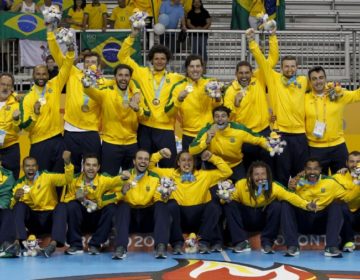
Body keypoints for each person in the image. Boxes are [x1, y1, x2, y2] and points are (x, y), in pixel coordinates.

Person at [248, 28, 309, 186]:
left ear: (297, 67)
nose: (290, 69)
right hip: (281, 134)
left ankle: (299, 205)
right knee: (281, 173)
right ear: (281, 68)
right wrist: (258, 41)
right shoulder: (274, 79)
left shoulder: (303, 81)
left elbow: (320, 86)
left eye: (292, 66)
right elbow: (262, 60)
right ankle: (282, 206)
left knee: (301, 174)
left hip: (300, 135)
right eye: (286, 66)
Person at [117, 26, 184, 167]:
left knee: (168, 167)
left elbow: (194, 80)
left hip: (165, 130)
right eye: (156, 59)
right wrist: (133, 35)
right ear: (151, 60)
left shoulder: (175, 78)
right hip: (145, 128)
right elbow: (122, 56)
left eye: (163, 59)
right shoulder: (141, 73)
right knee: (144, 167)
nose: (159, 61)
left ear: (167, 61)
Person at [149, 148, 232, 254]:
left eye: (190, 160)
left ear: (194, 163)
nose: (187, 163)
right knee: (170, 205)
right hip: (180, 218)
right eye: (183, 160)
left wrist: (211, 157)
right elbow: (150, 168)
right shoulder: (169, 173)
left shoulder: (204, 175)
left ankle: (204, 242)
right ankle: (177, 244)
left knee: (214, 206)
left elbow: (227, 171)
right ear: (178, 162)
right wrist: (159, 154)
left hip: (199, 218)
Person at [47, 27, 106, 173]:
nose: (90, 64)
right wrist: (50, 34)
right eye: (87, 62)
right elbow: (58, 56)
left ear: (99, 66)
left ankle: (90, 195)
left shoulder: (104, 83)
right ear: (82, 64)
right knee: (70, 168)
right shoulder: (73, 73)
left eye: (93, 62)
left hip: (91, 132)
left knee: (92, 169)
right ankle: (71, 196)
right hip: (70, 130)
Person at [224, 161, 316, 254]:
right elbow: (229, 197)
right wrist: (224, 198)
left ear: (267, 175)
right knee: (230, 204)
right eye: (256, 174)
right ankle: (241, 242)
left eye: (263, 174)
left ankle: (267, 243)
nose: (260, 177)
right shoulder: (240, 184)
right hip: (246, 219)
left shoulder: (274, 186)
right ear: (250, 176)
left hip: (263, 220)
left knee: (277, 205)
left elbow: (290, 196)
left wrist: (306, 204)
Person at [20, 31, 74, 173]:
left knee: (59, 178)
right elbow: (25, 127)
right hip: (39, 143)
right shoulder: (27, 98)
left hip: (57, 139)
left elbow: (67, 66)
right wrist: (35, 114)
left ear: (48, 75)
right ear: (33, 76)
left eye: (44, 74)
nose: (41, 77)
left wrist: (70, 52)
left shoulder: (54, 85)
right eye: (38, 74)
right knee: (42, 180)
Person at [83, 64, 149, 175]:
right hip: (111, 144)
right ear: (115, 77)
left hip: (131, 143)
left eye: (126, 76)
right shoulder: (106, 92)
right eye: (120, 75)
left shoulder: (137, 95)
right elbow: (89, 90)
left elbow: (146, 116)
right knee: (108, 179)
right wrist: (88, 78)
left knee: (132, 180)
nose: (123, 78)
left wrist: (138, 109)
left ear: (130, 78)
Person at [283, 158, 352, 258]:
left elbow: (349, 196)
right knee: (286, 203)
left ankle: (331, 247)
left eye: (315, 169)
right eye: (309, 169)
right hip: (303, 221)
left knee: (337, 204)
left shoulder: (330, 182)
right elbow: (286, 197)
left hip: (322, 223)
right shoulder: (296, 182)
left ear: (320, 170)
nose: (312, 172)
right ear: (304, 170)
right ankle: (293, 246)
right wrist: (291, 190)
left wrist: (351, 176)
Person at [63, 153, 129, 255]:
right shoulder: (74, 180)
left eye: (94, 165)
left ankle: (95, 244)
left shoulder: (103, 179)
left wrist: (124, 177)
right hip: (82, 219)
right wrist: (77, 198)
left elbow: (115, 181)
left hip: (99, 219)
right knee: (72, 205)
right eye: (88, 165)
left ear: (98, 167)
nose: (91, 168)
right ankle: (76, 245)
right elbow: (66, 200)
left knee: (112, 208)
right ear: (83, 166)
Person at [11, 151, 73, 258]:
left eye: (33, 165)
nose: (31, 168)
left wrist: (68, 164)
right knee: (19, 205)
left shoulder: (47, 177)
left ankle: (53, 245)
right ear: (23, 168)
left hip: (50, 219)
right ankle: (17, 244)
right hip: (33, 221)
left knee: (62, 206)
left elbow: (67, 179)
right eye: (27, 166)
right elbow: (12, 208)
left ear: (37, 167)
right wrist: (16, 198)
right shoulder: (18, 184)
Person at [113, 149, 170, 260]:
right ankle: (120, 247)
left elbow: (158, 198)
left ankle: (160, 246)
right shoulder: (124, 175)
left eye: (146, 159)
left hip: (147, 218)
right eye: (140, 158)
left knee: (161, 205)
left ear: (149, 162)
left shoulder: (155, 177)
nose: (143, 161)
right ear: (134, 161)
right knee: (123, 206)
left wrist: (164, 196)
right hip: (130, 219)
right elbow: (114, 198)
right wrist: (122, 191)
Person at [189, 105, 270, 182]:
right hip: (215, 166)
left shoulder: (239, 129)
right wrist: (206, 141)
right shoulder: (206, 130)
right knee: (214, 193)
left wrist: (271, 147)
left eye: (223, 116)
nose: (220, 119)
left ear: (228, 118)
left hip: (236, 165)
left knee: (242, 189)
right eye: (217, 116)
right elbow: (191, 150)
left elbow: (259, 139)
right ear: (213, 119)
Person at [224, 59, 277, 172]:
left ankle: (268, 190)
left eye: (247, 73)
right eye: (241, 73)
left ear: (251, 73)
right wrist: (236, 105)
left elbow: (271, 60)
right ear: (236, 74)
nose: (244, 76)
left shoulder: (258, 81)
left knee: (268, 169)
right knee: (249, 170)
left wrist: (270, 41)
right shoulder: (230, 91)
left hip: (264, 132)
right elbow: (226, 118)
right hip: (246, 136)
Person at [306, 66, 360, 174]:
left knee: (344, 182)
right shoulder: (304, 99)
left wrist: (340, 91)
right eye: (314, 79)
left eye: (321, 77)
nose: (318, 81)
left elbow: (357, 95)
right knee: (319, 185)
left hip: (338, 147)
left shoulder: (337, 94)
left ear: (326, 79)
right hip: (315, 149)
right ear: (310, 82)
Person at [165, 54, 222, 151]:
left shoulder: (211, 83)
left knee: (211, 165)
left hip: (209, 133)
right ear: (187, 69)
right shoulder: (179, 87)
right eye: (191, 66)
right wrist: (179, 100)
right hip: (188, 135)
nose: (195, 69)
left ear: (202, 68)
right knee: (189, 166)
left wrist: (218, 99)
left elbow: (219, 109)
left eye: (198, 66)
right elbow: (169, 113)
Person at [334, 151, 360, 252]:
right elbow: (345, 198)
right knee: (340, 205)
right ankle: (348, 242)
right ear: (346, 163)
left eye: (358, 162)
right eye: (352, 161)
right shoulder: (338, 177)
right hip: (345, 217)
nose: (354, 165)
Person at [0, 73, 21, 179]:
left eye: (8, 85)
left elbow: (19, 129)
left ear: (12, 88)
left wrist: (16, 119)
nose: (5, 87)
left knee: (12, 180)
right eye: (3, 84)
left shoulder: (17, 104)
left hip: (10, 148)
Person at [0, 164, 17, 257]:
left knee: (8, 213)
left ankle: (5, 245)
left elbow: (6, 196)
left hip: (1, 207)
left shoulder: (7, 175)